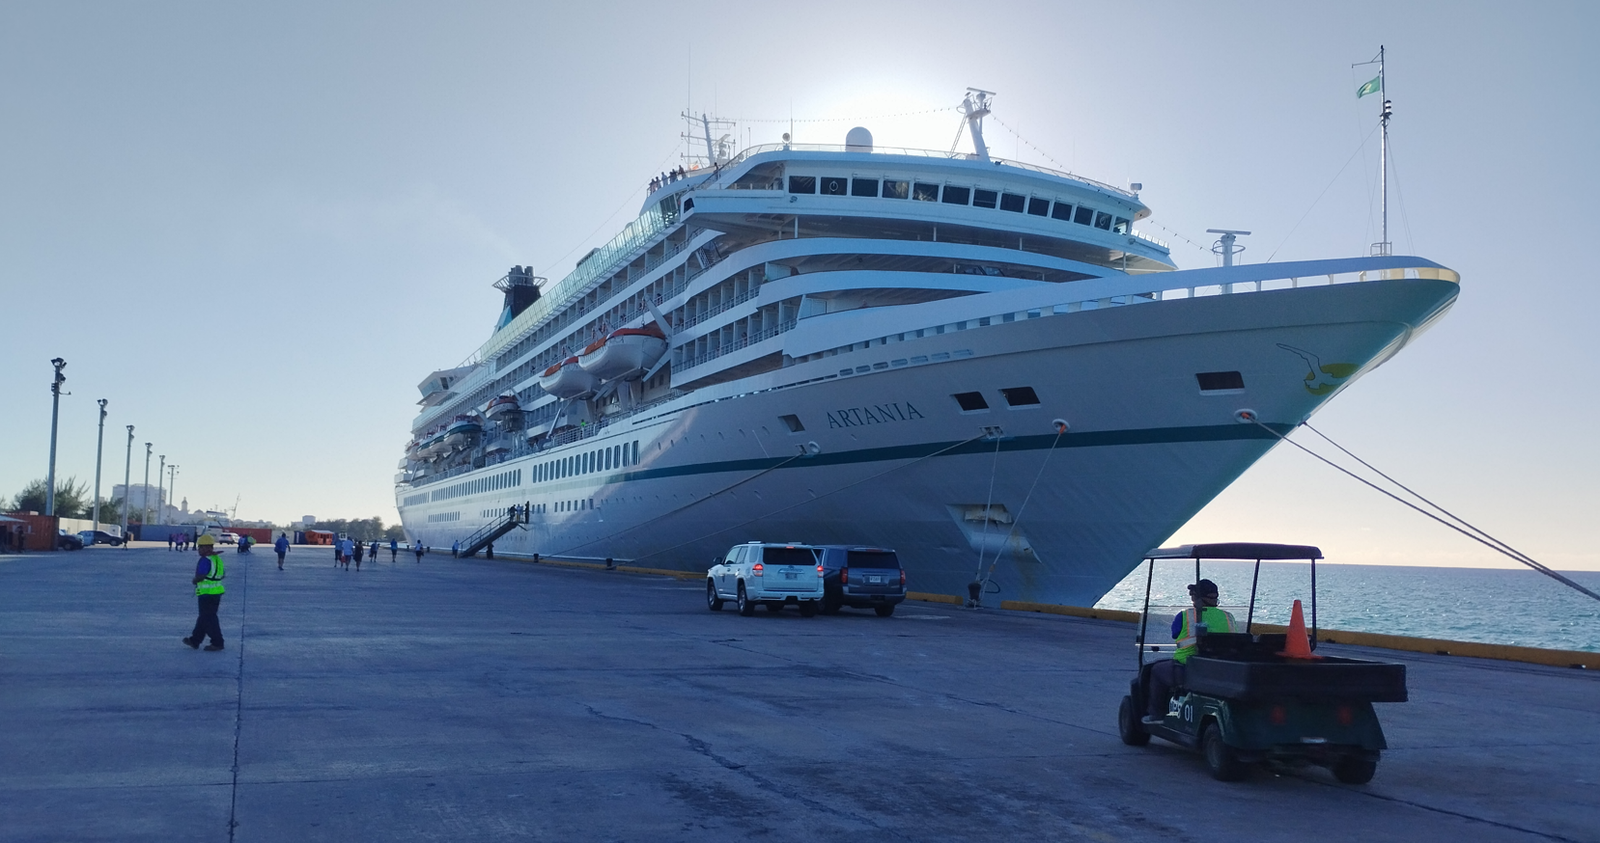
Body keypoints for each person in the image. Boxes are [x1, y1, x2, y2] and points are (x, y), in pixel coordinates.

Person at [1144, 578, 1238, 724]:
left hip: (1188, 669)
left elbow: (1175, 634)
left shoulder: (1185, 616)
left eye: (1192, 595)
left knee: (1155, 670)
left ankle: (1156, 713)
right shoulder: (1228, 617)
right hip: (1221, 670)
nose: (1191, 597)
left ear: (1197, 598)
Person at [182, 534, 226, 651]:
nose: (199, 550)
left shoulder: (205, 560)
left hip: (206, 593)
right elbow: (223, 574)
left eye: (200, 547)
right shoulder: (217, 559)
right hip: (217, 593)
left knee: (209, 619)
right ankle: (195, 640)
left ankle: (217, 642)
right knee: (204, 618)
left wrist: (194, 580)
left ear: (207, 547)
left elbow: (201, 575)